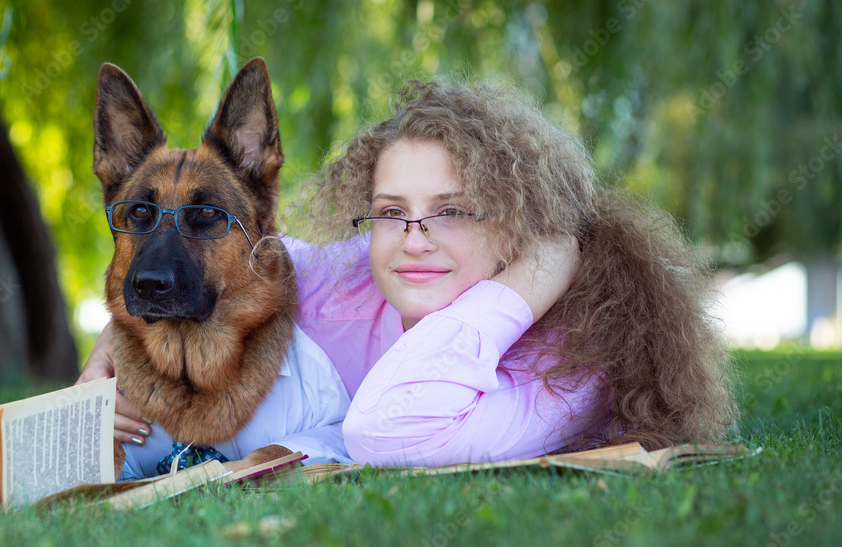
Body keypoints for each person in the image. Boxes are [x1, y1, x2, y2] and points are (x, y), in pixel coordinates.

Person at [79, 78, 737, 467]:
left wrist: (544, 265)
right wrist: (104, 362)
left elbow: (386, 429)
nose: (414, 240)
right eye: (393, 212)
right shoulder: (355, 271)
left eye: (450, 212)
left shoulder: (567, 369)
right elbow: (196, 263)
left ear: (518, 221)